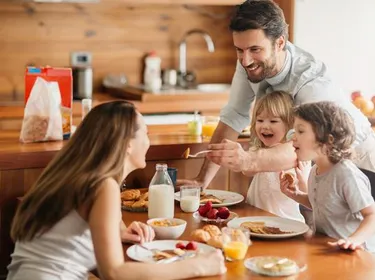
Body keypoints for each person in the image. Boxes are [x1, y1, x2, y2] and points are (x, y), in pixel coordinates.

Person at [7, 101, 226, 280]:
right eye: (146, 133)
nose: (149, 142)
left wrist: (118, 230)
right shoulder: (103, 185)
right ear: (127, 144)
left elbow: (74, 227)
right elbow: (113, 273)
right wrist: (199, 266)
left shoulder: (72, 173)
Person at [177, 0, 375, 189]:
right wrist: (202, 180)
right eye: (239, 50)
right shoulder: (250, 62)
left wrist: (247, 160)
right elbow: (234, 116)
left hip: (359, 164)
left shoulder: (311, 82)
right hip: (315, 167)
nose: (245, 60)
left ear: (280, 43)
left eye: (255, 49)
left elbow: (303, 146)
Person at [280, 101, 375, 252]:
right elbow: (322, 205)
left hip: (355, 255)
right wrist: (296, 195)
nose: (293, 137)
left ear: (327, 139)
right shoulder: (315, 170)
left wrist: (353, 240)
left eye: (301, 131)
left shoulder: (346, 174)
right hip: (328, 249)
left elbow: (371, 216)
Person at [245, 91, 310, 222]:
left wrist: (302, 181)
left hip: (286, 222)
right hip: (255, 220)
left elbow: (308, 197)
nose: (264, 126)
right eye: (259, 120)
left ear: (290, 125)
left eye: (273, 121)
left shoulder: (298, 154)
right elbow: (246, 170)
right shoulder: (259, 151)